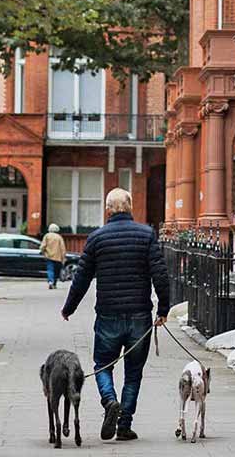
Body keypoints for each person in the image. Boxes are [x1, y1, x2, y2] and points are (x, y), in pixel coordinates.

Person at [61, 187, 170, 443]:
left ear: (107, 209)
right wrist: (164, 309)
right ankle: (124, 425)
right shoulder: (146, 235)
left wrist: (69, 307)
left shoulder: (97, 238)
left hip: (108, 315)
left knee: (102, 365)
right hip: (139, 316)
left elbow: (82, 277)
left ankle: (109, 400)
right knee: (133, 373)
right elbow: (160, 274)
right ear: (130, 206)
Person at [40, 223, 66, 289]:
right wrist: (63, 257)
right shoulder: (59, 237)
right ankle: (54, 283)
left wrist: (43, 252)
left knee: (50, 270)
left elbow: (43, 246)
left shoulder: (47, 236)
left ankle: (50, 281)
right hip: (58, 257)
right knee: (56, 271)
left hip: (49, 256)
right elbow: (63, 248)